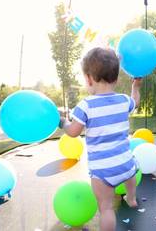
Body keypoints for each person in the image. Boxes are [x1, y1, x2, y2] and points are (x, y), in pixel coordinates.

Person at [59, 47, 142, 231]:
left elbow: (73, 132)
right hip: (126, 163)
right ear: (116, 78)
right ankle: (132, 198)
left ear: (89, 79)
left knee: (106, 209)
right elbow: (136, 100)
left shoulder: (85, 105)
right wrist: (135, 86)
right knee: (130, 175)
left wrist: (62, 121)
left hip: (103, 171)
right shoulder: (123, 100)